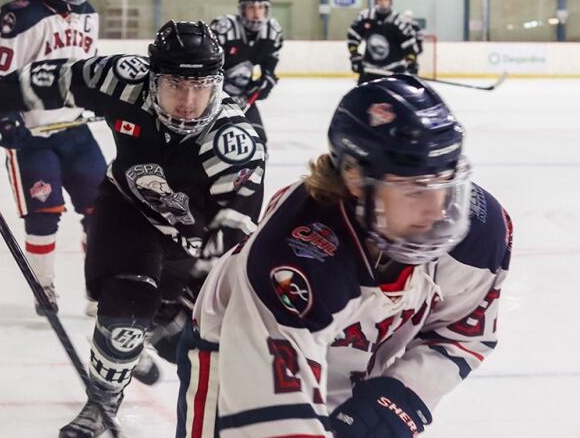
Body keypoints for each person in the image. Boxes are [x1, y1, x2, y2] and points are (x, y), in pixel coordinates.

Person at [0, 20, 266, 437]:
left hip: (197, 239)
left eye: (200, 87)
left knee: (188, 334)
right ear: (151, 78)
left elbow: (234, 239)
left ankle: (155, 332)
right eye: (175, 86)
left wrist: (186, 302)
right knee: (127, 306)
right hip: (128, 209)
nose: (187, 101)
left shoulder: (235, 141)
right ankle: (103, 400)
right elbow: (48, 78)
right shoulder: (121, 79)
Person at [175, 75, 513, 437]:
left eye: (445, 182)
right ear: (355, 179)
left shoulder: (479, 236)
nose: (437, 211)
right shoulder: (293, 258)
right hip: (239, 349)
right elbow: (274, 424)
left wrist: (406, 392)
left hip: (355, 363)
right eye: (414, 189)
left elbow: (462, 333)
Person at [0, 0, 106, 320]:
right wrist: (4, 117)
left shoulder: (87, 14)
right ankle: (44, 286)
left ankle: (99, 289)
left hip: (77, 132)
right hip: (34, 138)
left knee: (101, 212)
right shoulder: (20, 16)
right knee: (44, 213)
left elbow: (88, 71)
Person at [209, 0, 283, 148]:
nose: (256, 13)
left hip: (243, 98)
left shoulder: (272, 32)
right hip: (213, 99)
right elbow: (206, 67)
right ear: (242, 9)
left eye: (261, 8)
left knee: (258, 143)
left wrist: (265, 82)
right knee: (214, 144)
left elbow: (269, 68)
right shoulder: (224, 28)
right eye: (251, 7)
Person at [347, 0, 419, 84]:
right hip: (369, 71)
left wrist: (411, 62)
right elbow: (352, 38)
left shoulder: (399, 22)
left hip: (394, 71)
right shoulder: (365, 17)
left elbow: (409, 46)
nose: (382, 3)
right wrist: (355, 56)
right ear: (375, 1)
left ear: (390, 1)